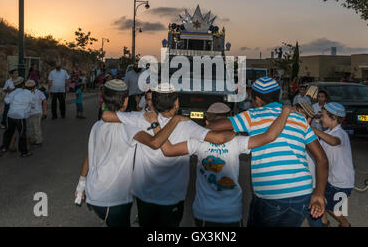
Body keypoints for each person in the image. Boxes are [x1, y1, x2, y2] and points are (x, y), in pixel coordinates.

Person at [100, 83, 244, 227]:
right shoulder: (187, 125)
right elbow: (219, 139)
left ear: (154, 103)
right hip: (172, 198)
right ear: (176, 103)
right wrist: (235, 132)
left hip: (144, 195)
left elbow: (105, 115)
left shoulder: (141, 118)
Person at [207, 76, 328, 227]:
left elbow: (212, 128)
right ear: (278, 95)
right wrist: (319, 193)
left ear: (257, 100)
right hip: (302, 193)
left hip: (271, 194)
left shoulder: (251, 116)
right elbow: (322, 159)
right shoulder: (298, 118)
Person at [74, 79, 189, 227]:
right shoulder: (129, 128)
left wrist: (81, 185)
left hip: (93, 192)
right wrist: (175, 120)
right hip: (113, 199)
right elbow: (156, 143)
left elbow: (90, 155)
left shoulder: (97, 125)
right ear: (126, 100)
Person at [160, 102, 293, 227]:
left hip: (204, 212)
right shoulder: (237, 141)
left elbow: (168, 150)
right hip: (232, 213)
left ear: (207, 122)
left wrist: (160, 125)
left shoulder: (198, 142)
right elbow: (269, 136)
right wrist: (285, 112)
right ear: (229, 123)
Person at [312, 102, 355, 227]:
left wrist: (315, 131)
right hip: (332, 178)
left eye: (323, 116)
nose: (321, 118)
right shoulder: (328, 133)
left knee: (333, 208)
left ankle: (345, 224)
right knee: (323, 200)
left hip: (341, 181)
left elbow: (334, 142)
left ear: (334, 118)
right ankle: (324, 222)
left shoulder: (340, 133)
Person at [295, 102, 326, 227]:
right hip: (301, 182)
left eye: (298, 116)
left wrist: (319, 190)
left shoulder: (309, 136)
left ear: (308, 119)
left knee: (311, 214)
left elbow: (322, 160)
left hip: (309, 183)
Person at [0, 77, 35, 158]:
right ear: (23, 84)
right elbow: (33, 104)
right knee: (22, 134)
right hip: (21, 117)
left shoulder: (13, 93)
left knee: (8, 133)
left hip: (10, 116)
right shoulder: (29, 94)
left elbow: (6, 101)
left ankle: (4, 148)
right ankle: (24, 152)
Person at [27, 80, 47, 148]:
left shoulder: (39, 93)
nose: (30, 89)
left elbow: (44, 101)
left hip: (37, 113)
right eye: (28, 88)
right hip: (28, 113)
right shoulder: (26, 93)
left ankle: (39, 141)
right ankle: (33, 140)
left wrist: (45, 111)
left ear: (34, 87)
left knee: (37, 128)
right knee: (30, 128)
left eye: (31, 87)